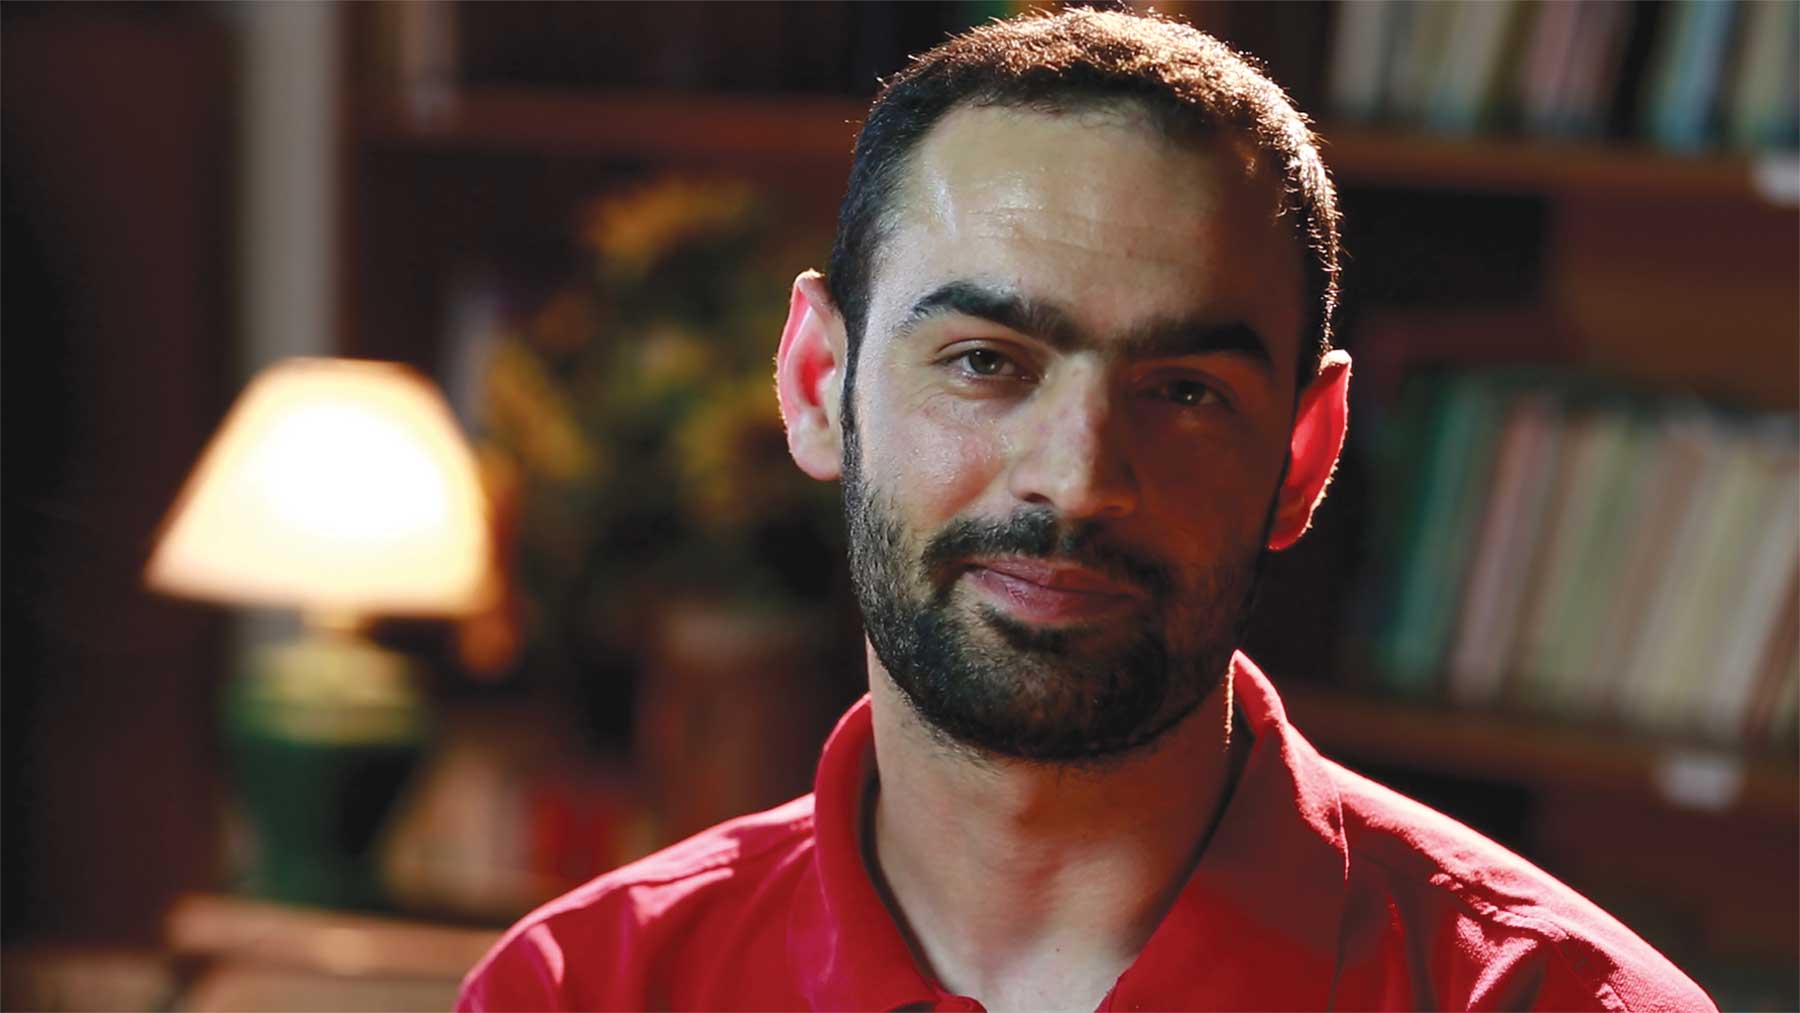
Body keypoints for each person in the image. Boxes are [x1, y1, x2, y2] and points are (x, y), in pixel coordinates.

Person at [459, 9, 1714, 1011]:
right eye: (985, 361)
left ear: (1305, 452)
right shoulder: (583, 989)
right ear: (816, 382)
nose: (1077, 479)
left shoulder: (1556, 999)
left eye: (1184, 390)